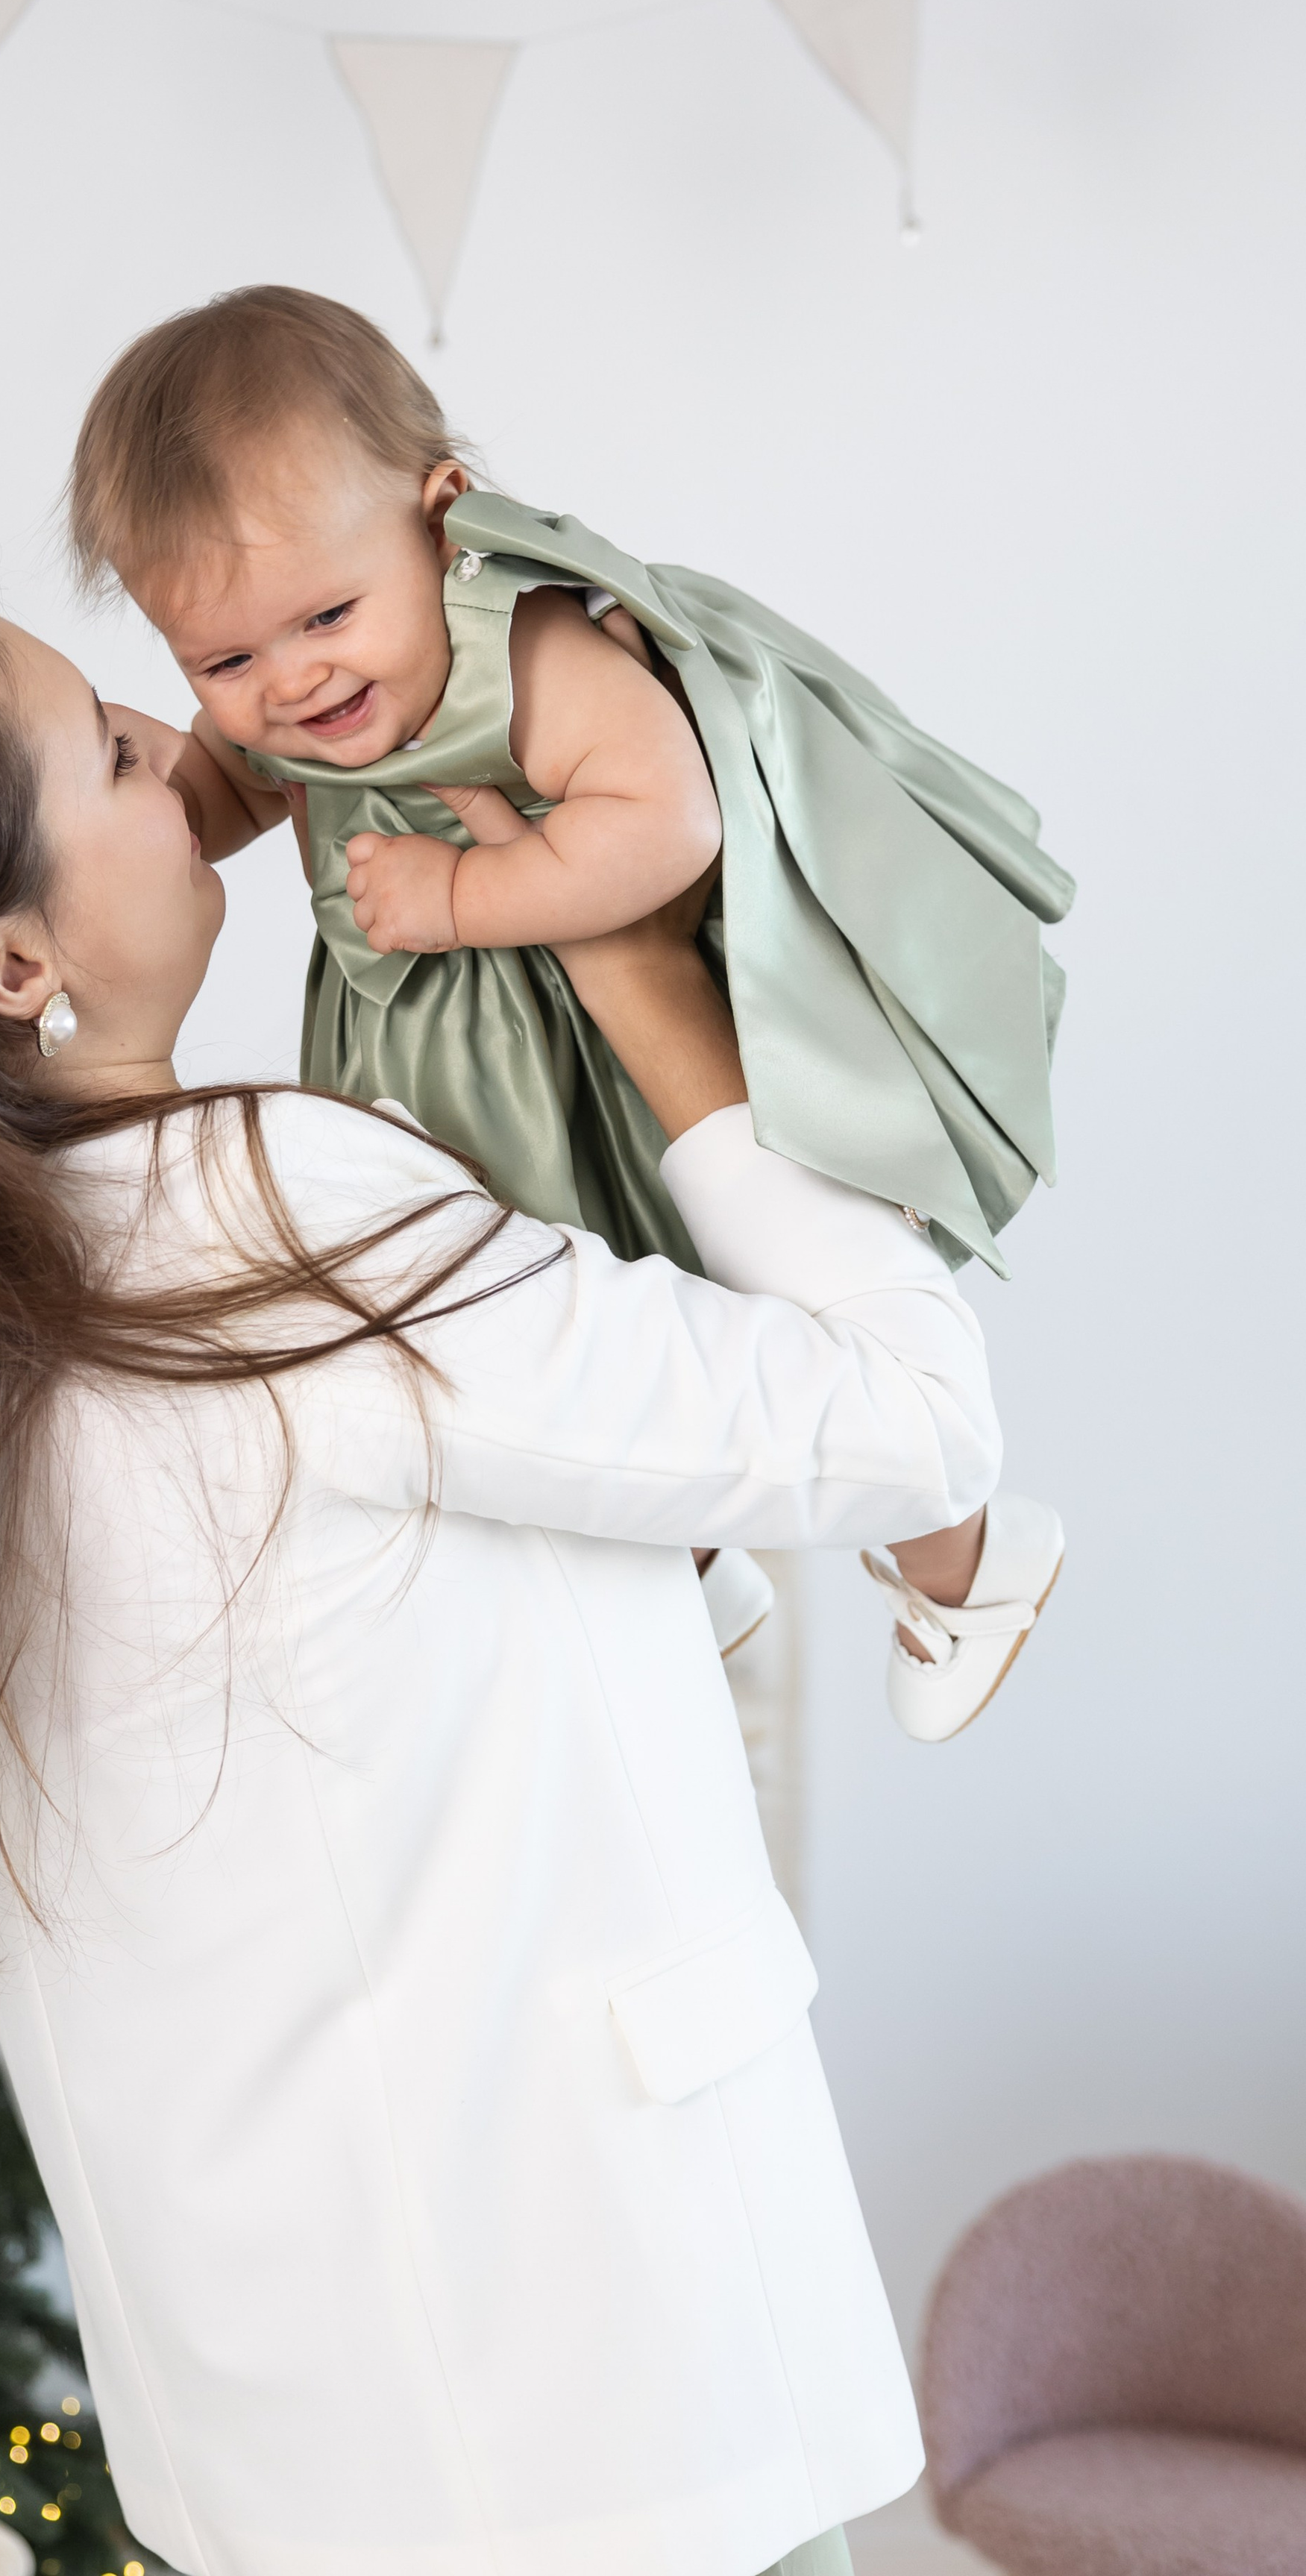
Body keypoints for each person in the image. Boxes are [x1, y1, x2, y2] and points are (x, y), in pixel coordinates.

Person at [0, 553, 1003, 2576]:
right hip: (603, 2418)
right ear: (4, 960)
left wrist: (193, 834)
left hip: (286, 2451)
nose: (188, 751)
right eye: (111, 746)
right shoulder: (273, 1219)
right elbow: (913, 1414)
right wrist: (634, 965)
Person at [66, 287, 1070, 1741]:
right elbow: (231, 787)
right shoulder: (300, 683)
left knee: (784, 1291)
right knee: (544, 1325)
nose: (289, 684)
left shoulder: (518, 646)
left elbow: (660, 822)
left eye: (326, 618)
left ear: (441, 516)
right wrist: (137, 786)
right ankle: (684, 1570)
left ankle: (968, 1554)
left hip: (617, 1049)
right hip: (463, 1073)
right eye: (221, 663)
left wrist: (460, 899)